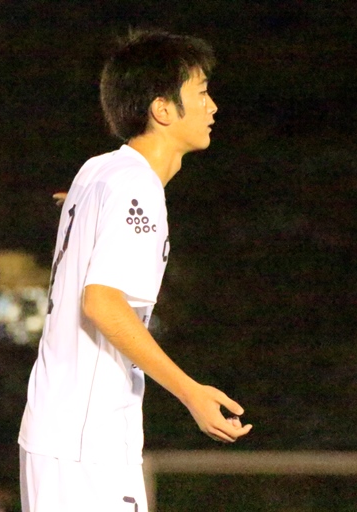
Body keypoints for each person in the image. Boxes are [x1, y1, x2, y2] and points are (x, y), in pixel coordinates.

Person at [18, 29, 252, 512]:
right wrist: (191, 393)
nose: (213, 107)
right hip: (86, 444)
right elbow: (102, 303)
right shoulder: (135, 186)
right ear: (162, 109)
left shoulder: (98, 170)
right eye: (201, 93)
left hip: (63, 433)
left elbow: (86, 206)